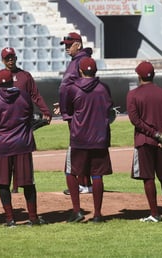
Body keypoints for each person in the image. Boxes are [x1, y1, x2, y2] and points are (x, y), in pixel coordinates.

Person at [0, 69, 47, 227]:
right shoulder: (24, 97)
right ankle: (33, 218)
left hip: (2, 145)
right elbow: (29, 116)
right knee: (28, 182)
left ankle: (9, 219)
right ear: (12, 81)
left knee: (3, 183)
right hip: (23, 143)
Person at [0, 47, 52, 195]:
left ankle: (16, 187)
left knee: (20, 153)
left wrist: (45, 111)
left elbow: (35, 95)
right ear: (3, 60)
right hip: (4, 122)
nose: (10, 60)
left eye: (12, 57)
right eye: (7, 58)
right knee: (1, 156)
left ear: (16, 58)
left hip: (20, 121)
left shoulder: (25, 76)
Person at [64, 57, 113, 223]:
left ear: (80, 71)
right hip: (100, 138)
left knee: (70, 171)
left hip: (79, 138)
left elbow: (68, 111)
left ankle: (77, 211)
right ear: (95, 71)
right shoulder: (103, 88)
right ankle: (98, 214)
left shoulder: (73, 89)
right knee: (97, 175)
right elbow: (109, 111)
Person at [127, 61, 162, 222]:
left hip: (144, 141)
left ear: (139, 76)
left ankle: (154, 213)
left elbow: (135, 120)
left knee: (148, 178)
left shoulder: (133, 95)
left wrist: (154, 134)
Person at [56, 32, 94, 195]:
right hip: (80, 109)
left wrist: (68, 108)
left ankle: (83, 184)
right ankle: (86, 183)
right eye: (65, 44)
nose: (66, 47)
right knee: (84, 147)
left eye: (69, 44)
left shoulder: (80, 62)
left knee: (78, 148)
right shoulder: (79, 61)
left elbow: (70, 88)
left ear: (78, 45)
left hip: (77, 114)